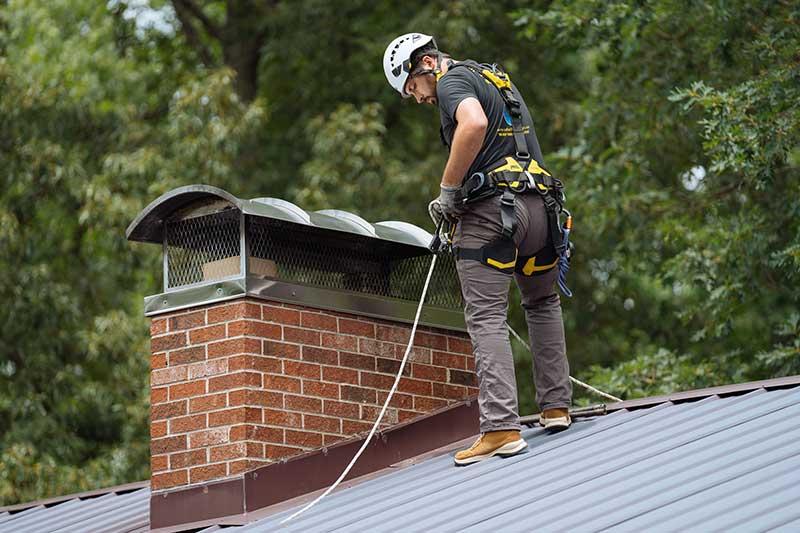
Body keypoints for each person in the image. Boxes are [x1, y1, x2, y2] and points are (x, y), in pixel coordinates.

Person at [383, 33, 573, 466]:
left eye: (412, 87)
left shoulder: (451, 82)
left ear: (427, 63)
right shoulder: (494, 77)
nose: (416, 99)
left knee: (486, 315)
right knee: (542, 303)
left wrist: (448, 191)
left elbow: (472, 125)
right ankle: (556, 407)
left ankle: (502, 428)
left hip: (493, 215)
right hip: (541, 210)